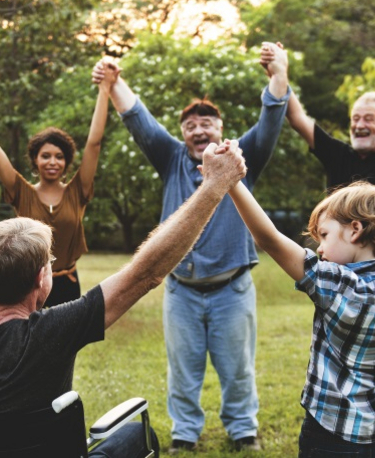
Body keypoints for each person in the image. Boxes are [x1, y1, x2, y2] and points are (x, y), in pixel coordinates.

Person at [0, 124, 249, 456]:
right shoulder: (53, 331)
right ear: (41, 282)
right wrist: (214, 187)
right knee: (140, 437)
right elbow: (147, 273)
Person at [94, 42, 292, 452]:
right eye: (191, 126)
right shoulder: (170, 159)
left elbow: (272, 117)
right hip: (181, 290)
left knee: (238, 369)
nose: (199, 130)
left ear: (220, 129)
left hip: (232, 289)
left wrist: (278, 72)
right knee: (183, 370)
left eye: (207, 123)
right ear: (183, 134)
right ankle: (185, 433)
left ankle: (242, 430)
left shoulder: (242, 158)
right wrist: (115, 82)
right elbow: (138, 118)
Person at [225, 120, 375, 457]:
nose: (320, 248)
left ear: (355, 229)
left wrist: (232, 181)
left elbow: (267, 238)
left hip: (328, 439)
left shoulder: (334, 282)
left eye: (324, 235)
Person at [281, 70, 375, 458]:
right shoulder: (340, 154)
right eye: (354, 118)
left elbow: (270, 239)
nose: (358, 124)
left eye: (367, 118)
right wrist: (278, 74)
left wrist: (229, 182)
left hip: (366, 281)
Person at [0, 67, 109, 307]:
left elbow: (94, 143)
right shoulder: (21, 192)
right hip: (26, 285)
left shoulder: (77, 191)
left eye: (59, 156)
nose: (52, 162)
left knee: (66, 345)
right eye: (45, 156)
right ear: (35, 160)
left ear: (66, 163)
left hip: (67, 284)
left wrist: (104, 90)